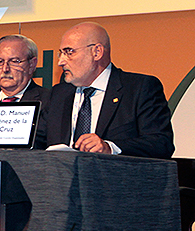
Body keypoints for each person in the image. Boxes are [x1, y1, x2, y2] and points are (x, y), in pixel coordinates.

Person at [39, 22, 173, 158]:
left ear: (97, 52)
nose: (61, 62)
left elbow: (161, 143)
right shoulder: (59, 94)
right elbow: (38, 141)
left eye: (69, 52)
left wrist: (110, 148)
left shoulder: (139, 88)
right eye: (60, 54)